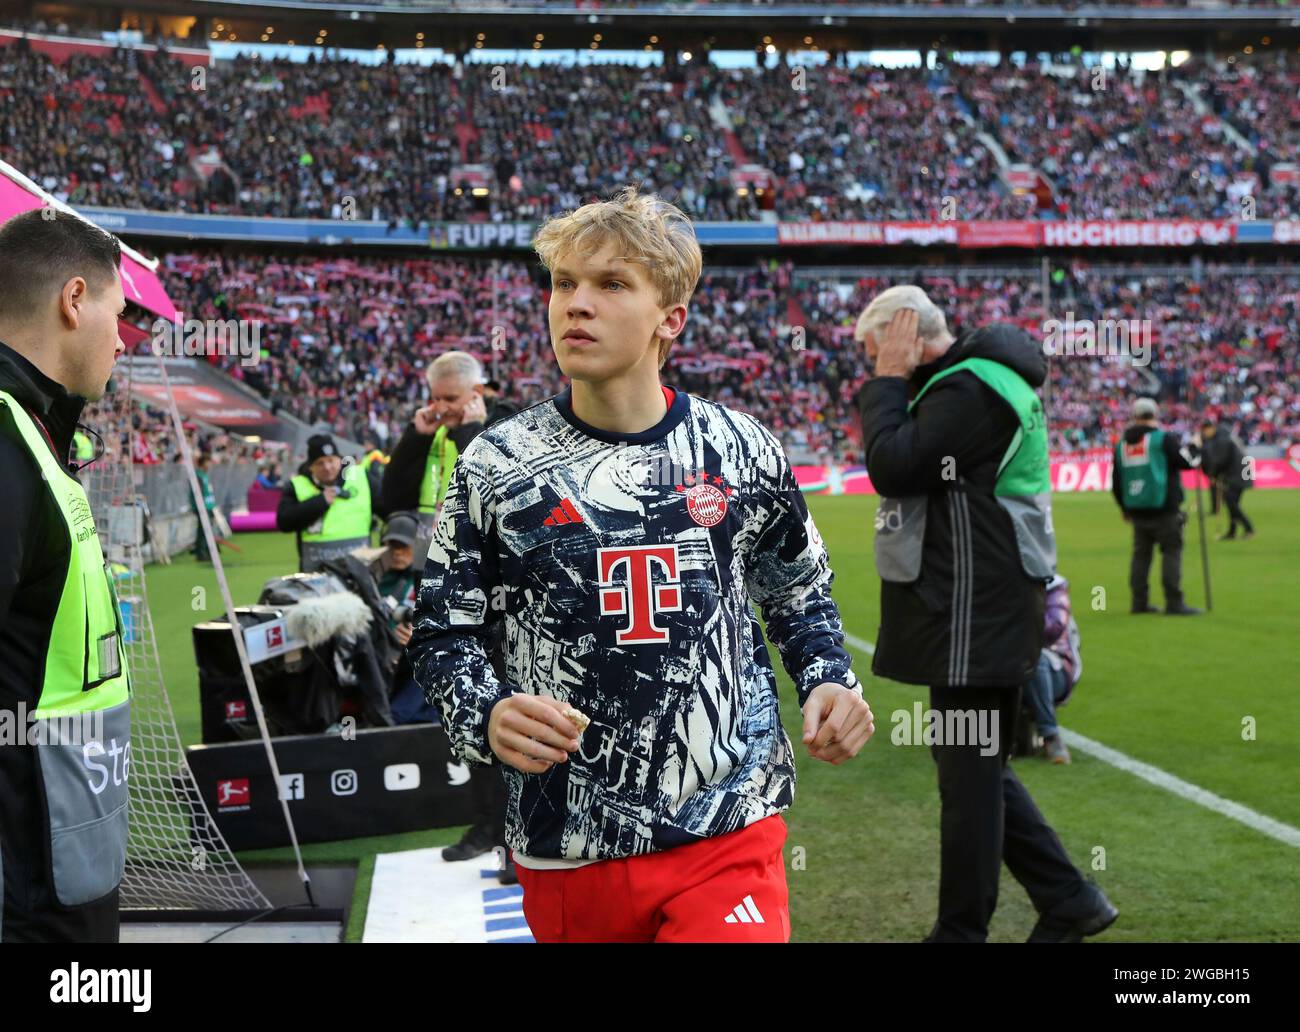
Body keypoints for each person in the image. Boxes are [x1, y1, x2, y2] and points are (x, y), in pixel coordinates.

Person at [410, 187, 874, 942]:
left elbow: (796, 592)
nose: (575, 305)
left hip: (728, 824)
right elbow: (440, 635)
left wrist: (828, 676)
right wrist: (485, 711)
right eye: (564, 284)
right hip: (566, 843)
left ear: (670, 320)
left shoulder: (741, 450)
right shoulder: (496, 464)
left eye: (611, 284)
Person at [856, 285, 1116, 943]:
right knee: (973, 766)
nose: (872, 364)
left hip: (975, 611)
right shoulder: (982, 382)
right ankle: (1069, 900)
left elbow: (895, 464)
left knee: (969, 779)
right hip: (984, 605)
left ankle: (962, 931)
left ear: (903, 333)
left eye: (875, 349)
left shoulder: (968, 390)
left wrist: (887, 386)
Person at [0, 209, 132, 942]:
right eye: (117, 314)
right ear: (73, 300)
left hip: (64, 878)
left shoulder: (38, 433)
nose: (123, 338)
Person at [383, 351, 518, 870]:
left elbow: (492, 490)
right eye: (434, 398)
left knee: (512, 715)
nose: (439, 408)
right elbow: (392, 500)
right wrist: (415, 437)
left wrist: (471, 428)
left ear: (476, 391)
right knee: (470, 716)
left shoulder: (505, 422)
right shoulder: (434, 432)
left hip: (503, 604)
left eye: (449, 399)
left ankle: (515, 838)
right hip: (448, 598)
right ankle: (488, 825)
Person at [1111, 398, 1202, 615]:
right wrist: (1195, 447)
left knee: (1141, 557)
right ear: (1155, 415)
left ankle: (1139, 602)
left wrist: (1125, 508)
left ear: (1134, 416)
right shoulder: (1163, 439)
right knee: (1171, 552)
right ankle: (1174, 602)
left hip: (1137, 509)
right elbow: (1187, 463)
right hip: (1165, 508)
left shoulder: (1122, 443)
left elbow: (1115, 481)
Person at [276, 433, 377, 572]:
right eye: (320, 463)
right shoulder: (297, 485)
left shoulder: (361, 477)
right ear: (311, 466)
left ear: (340, 460)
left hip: (359, 573)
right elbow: (284, 522)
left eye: (331, 460)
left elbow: (388, 507)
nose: (327, 467)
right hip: (317, 575)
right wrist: (320, 502)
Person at [1025, 574, 1082, 765]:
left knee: (1034, 657)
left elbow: (1053, 628)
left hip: (1056, 667)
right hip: (1012, 663)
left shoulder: (1054, 586)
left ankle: (1051, 736)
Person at [1199, 419, 1254, 541]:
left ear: (1210, 429)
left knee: (1231, 503)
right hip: (1239, 474)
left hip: (1237, 476)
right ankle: (1232, 532)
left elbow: (1219, 460)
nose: (1204, 434)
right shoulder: (1224, 437)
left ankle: (1249, 528)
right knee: (1232, 504)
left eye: (1205, 432)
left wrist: (1213, 475)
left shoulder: (1221, 440)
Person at [192, 451, 218, 562]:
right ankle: (201, 553)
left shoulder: (204, 475)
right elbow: (198, 493)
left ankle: (207, 551)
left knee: (206, 530)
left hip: (208, 506)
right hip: (201, 507)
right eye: (208, 462)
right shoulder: (198, 475)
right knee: (202, 530)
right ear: (203, 463)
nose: (210, 465)